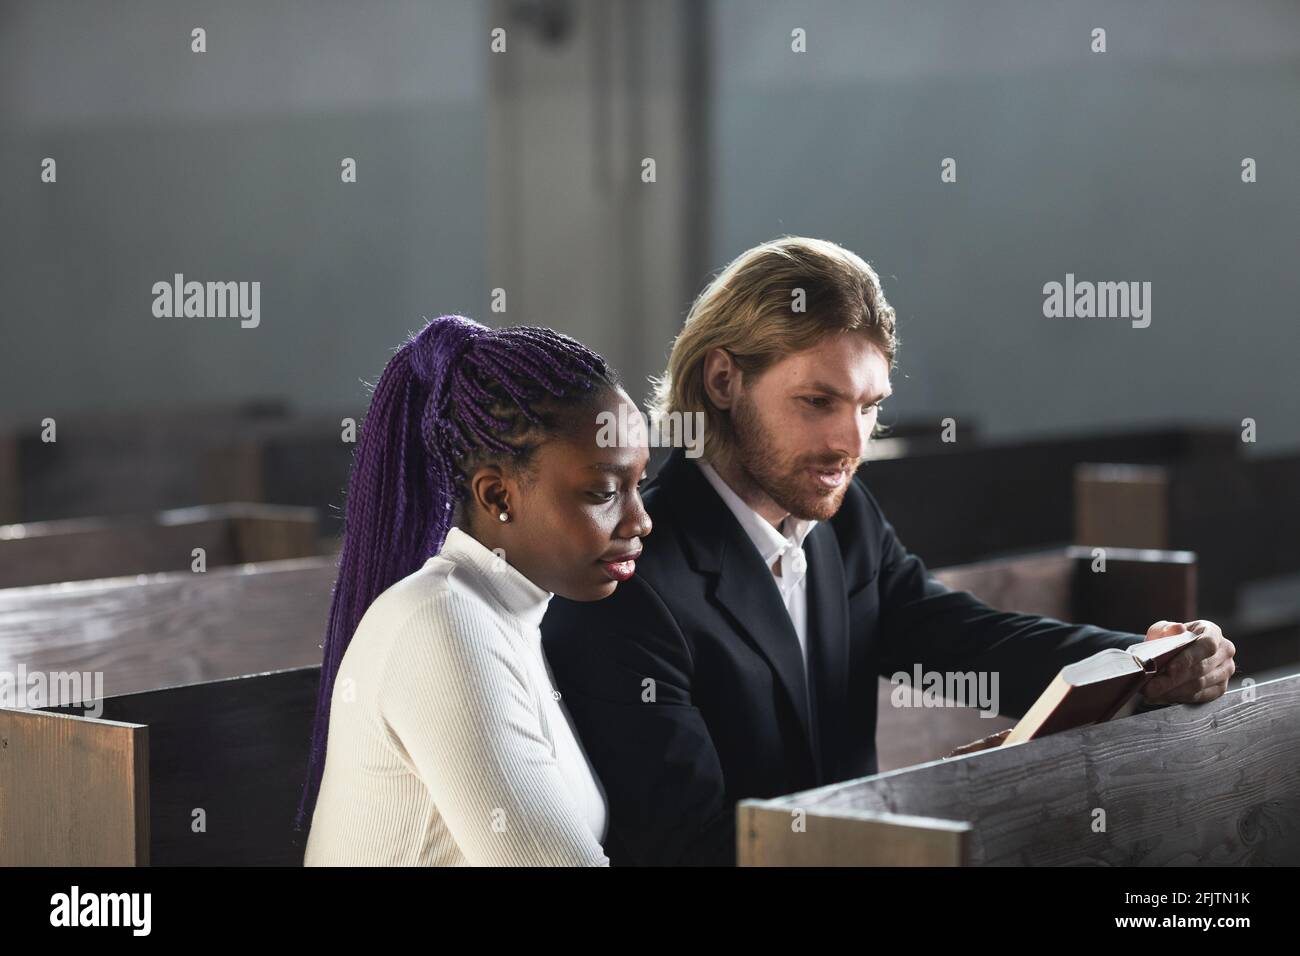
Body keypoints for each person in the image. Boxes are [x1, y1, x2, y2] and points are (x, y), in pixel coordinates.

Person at [540, 236, 1236, 866]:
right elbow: (689, 850)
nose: (851, 443)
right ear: (724, 381)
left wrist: (1149, 662)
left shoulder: (847, 523)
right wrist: (928, 831)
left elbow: (962, 637)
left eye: (869, 406)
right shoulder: (628, 580)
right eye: (818, 401)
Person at [299, 314, 651, 866]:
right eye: (603, 491)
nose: (639, 521)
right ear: (497, 495)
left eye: (638, 485)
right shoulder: (442, 623)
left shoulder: (500, 610)